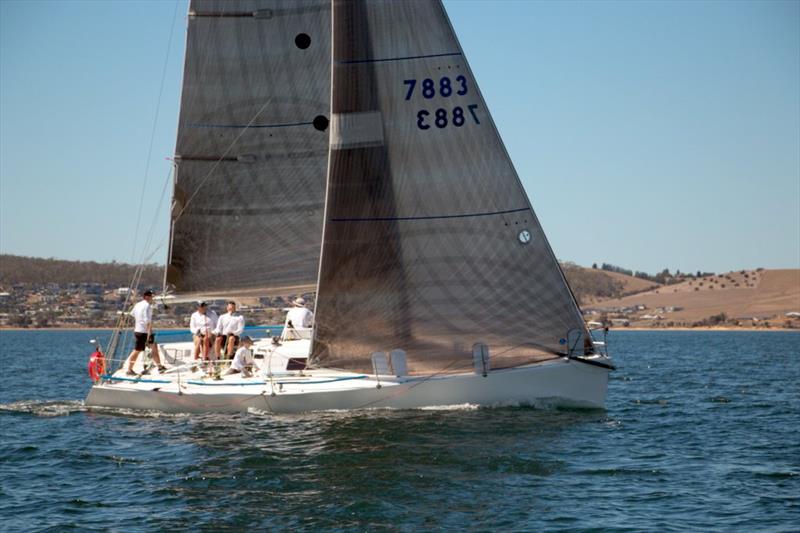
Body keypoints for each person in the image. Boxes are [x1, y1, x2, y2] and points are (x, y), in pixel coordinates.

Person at [126, 290, 166, 375]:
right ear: (147, 297)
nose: (153, 298)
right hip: (144, 332)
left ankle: (159, 366)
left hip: (138, 330)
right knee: (137, 350)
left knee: (153, 346)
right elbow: (147, 321)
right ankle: (129, 370)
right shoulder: (147, 306)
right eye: (152, 296)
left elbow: (132, 314)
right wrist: (149, 333)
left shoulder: (137, 304)